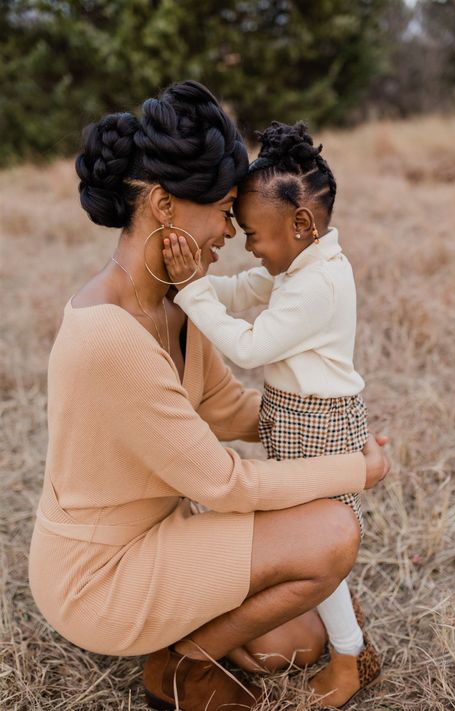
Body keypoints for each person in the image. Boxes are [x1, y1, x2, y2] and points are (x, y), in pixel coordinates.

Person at [28, 80, 390, 711]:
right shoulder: (105, 335)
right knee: (331, 532)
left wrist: (328, 423)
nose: (232, 229)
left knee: (296, 642)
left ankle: (194, 634)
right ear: (165, 206)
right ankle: (182, 667)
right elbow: (223, 484)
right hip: (100, 576)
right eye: (224, 208)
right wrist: (352, 470)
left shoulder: (175, 301)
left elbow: (227, 410)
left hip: (165, 535)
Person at [164, 120, 379, 707]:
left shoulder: (319, 286)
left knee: (320, 542)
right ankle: (346, 637)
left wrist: (192, 292)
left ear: (301, 223)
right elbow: (239, 291)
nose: (248, 244)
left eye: (255, 234)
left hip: (319, 426)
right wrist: (190, 281)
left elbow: (249, 347)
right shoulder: (297, 266)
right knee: (311, 540)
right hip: (295, 418)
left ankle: (348, 659)